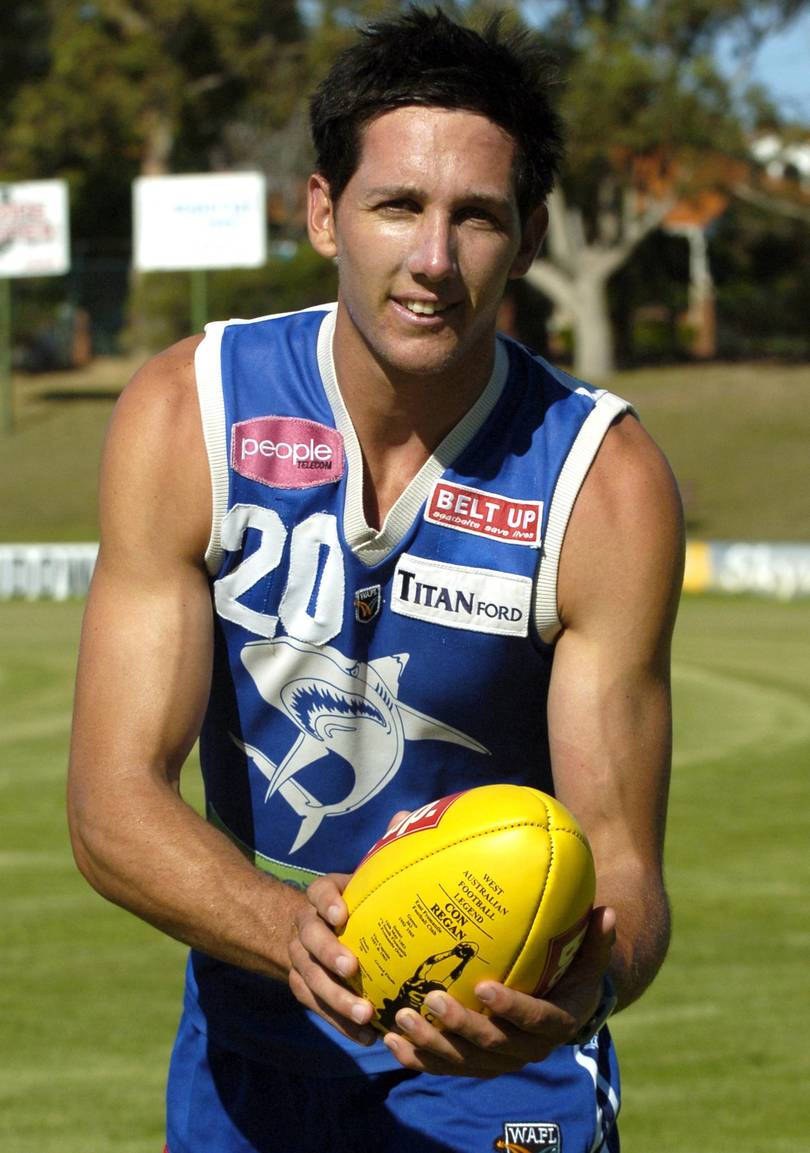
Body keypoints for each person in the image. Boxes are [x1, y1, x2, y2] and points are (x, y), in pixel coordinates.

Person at [68, 8, 684, 1153]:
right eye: (398, 205)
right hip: (253, 1047)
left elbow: (628, 866)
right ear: (323, 212)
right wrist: (282, 930)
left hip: (493, 1061)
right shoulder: (189, 411)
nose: (434, 260)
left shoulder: (604, 481)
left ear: (533, 234)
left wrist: (582, 994)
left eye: (478, 217)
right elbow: (113, 801)